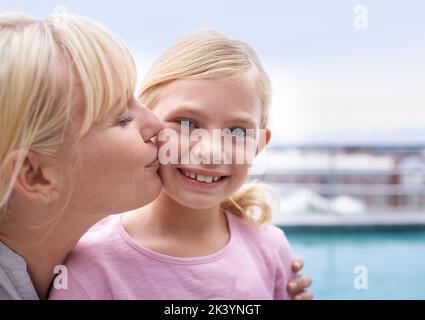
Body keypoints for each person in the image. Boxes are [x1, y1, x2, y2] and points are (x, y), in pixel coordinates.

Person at [0, 13, 312, 300]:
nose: (153, 125)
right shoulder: (86, 271)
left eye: (236, 132)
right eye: (123, 117)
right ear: (36, 175)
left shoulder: (270, 249)